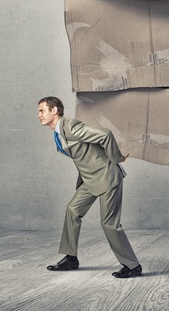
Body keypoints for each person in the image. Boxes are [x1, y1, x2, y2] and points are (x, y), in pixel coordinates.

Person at [37, 96, 142, 278]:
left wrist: (116, 158)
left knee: (109, 223)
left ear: (54, 111)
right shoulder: (58, 132)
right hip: (90, 178)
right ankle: (71, 259)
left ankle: (132, 266)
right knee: (72, 210)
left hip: (106, 176)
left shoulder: (69, 127)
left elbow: (105, 134)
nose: (39, 115)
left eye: (42, 111)